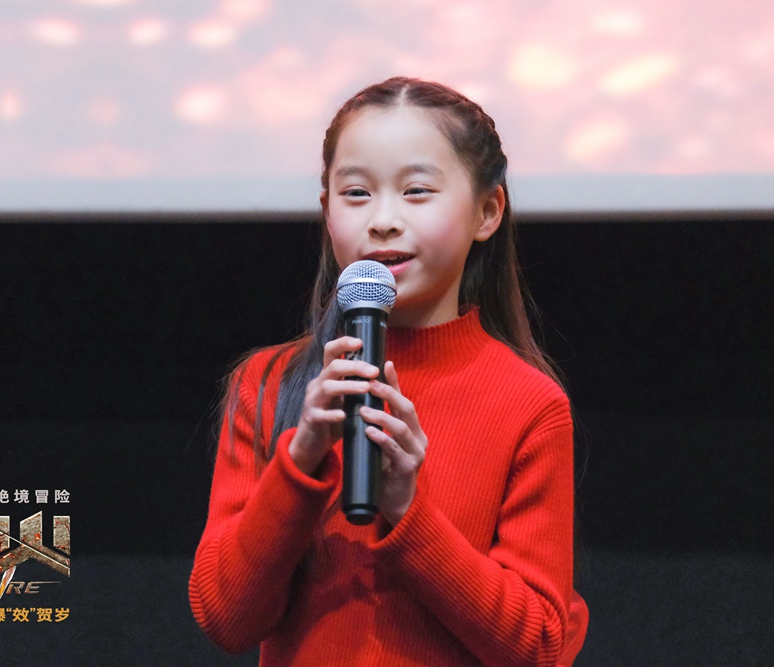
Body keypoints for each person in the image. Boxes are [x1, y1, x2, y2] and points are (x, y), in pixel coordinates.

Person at [189, 76, 587, 666]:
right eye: (355, 193)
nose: (382, 220)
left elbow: (540, 646)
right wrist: (301, 459)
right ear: (327, 211)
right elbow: (225, 618)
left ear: (487, 211)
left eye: (416, 191)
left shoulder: (529, 403)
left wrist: (407, 510)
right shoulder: (268, 384)